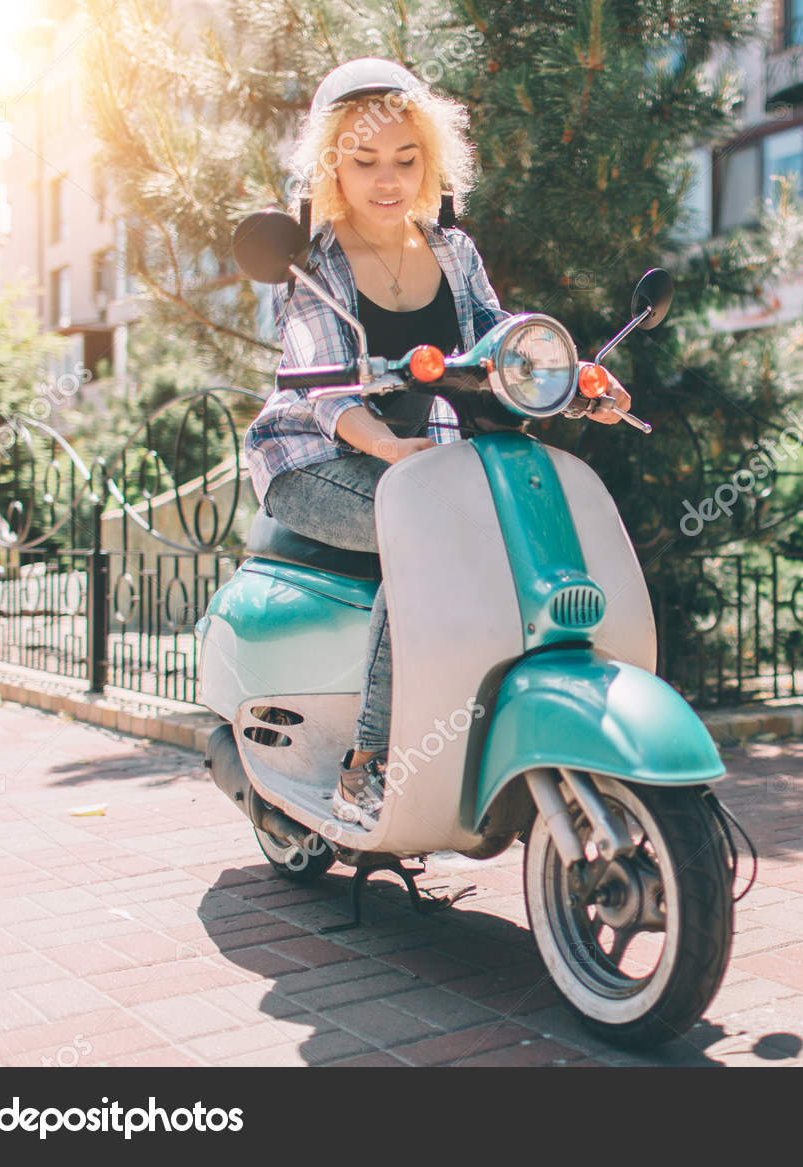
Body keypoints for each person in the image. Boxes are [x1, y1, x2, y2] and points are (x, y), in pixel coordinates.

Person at [243, 59, 630, 830]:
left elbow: (499, 348)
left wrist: (576, 382)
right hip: (314, 458)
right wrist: (385, 447)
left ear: (432, 160)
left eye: (406, 159)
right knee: (421, 543)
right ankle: (369, 767)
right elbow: (323, 391)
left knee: (489, 528)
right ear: (332, 167)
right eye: (364, 161)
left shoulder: (452, 251)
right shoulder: (312, 262)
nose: (388, 179)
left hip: (421, 459)